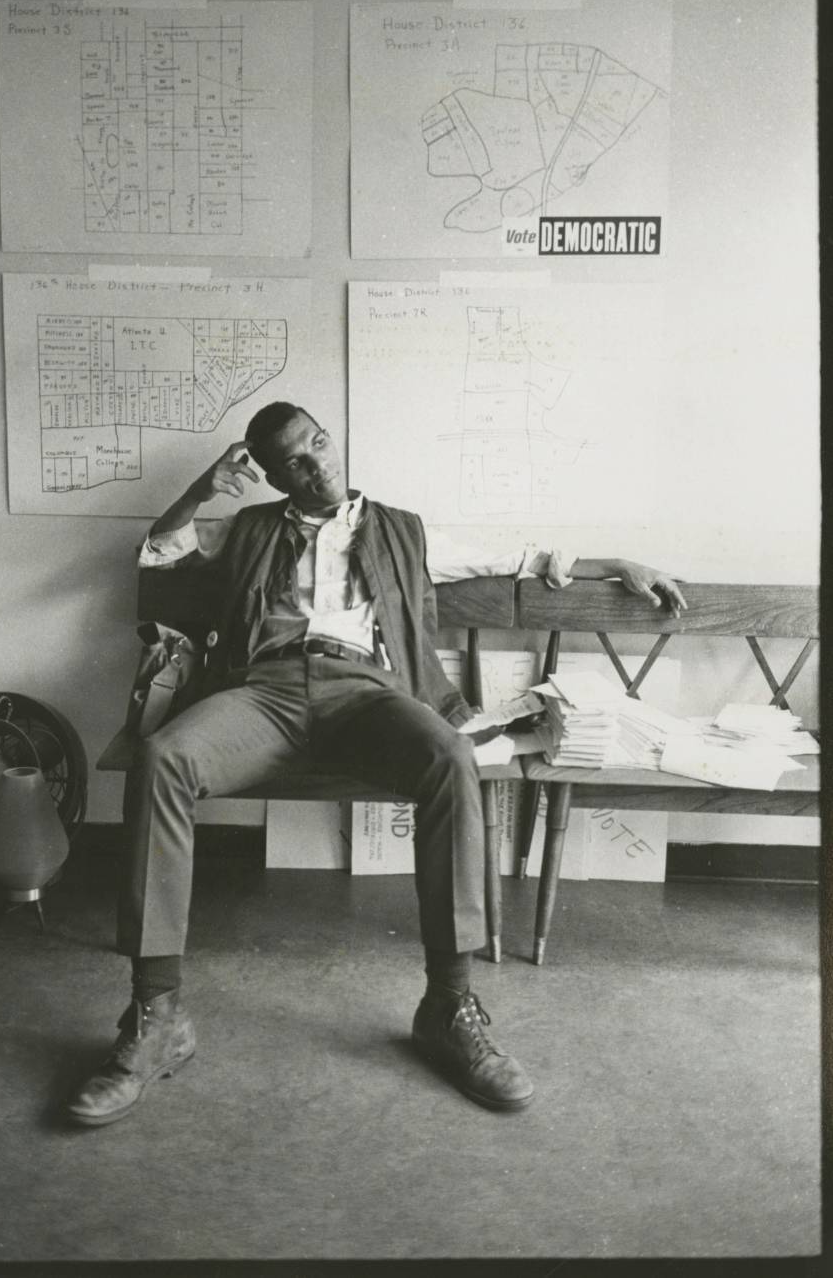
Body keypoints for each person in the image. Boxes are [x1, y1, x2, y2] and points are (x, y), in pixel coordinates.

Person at [66, 402, 686, 1127]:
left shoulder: (403, 529)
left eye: (320, 444)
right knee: (163, 757)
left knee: (450, 756)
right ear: (271, 475)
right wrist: (203, 487)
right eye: (295, 461)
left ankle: (449, 1005)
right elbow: (160, 550)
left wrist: (620, 563)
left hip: (366, 694)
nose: (318, 464)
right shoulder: (249, 529)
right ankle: (157, 1013)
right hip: (263, 693)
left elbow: (520, 557)